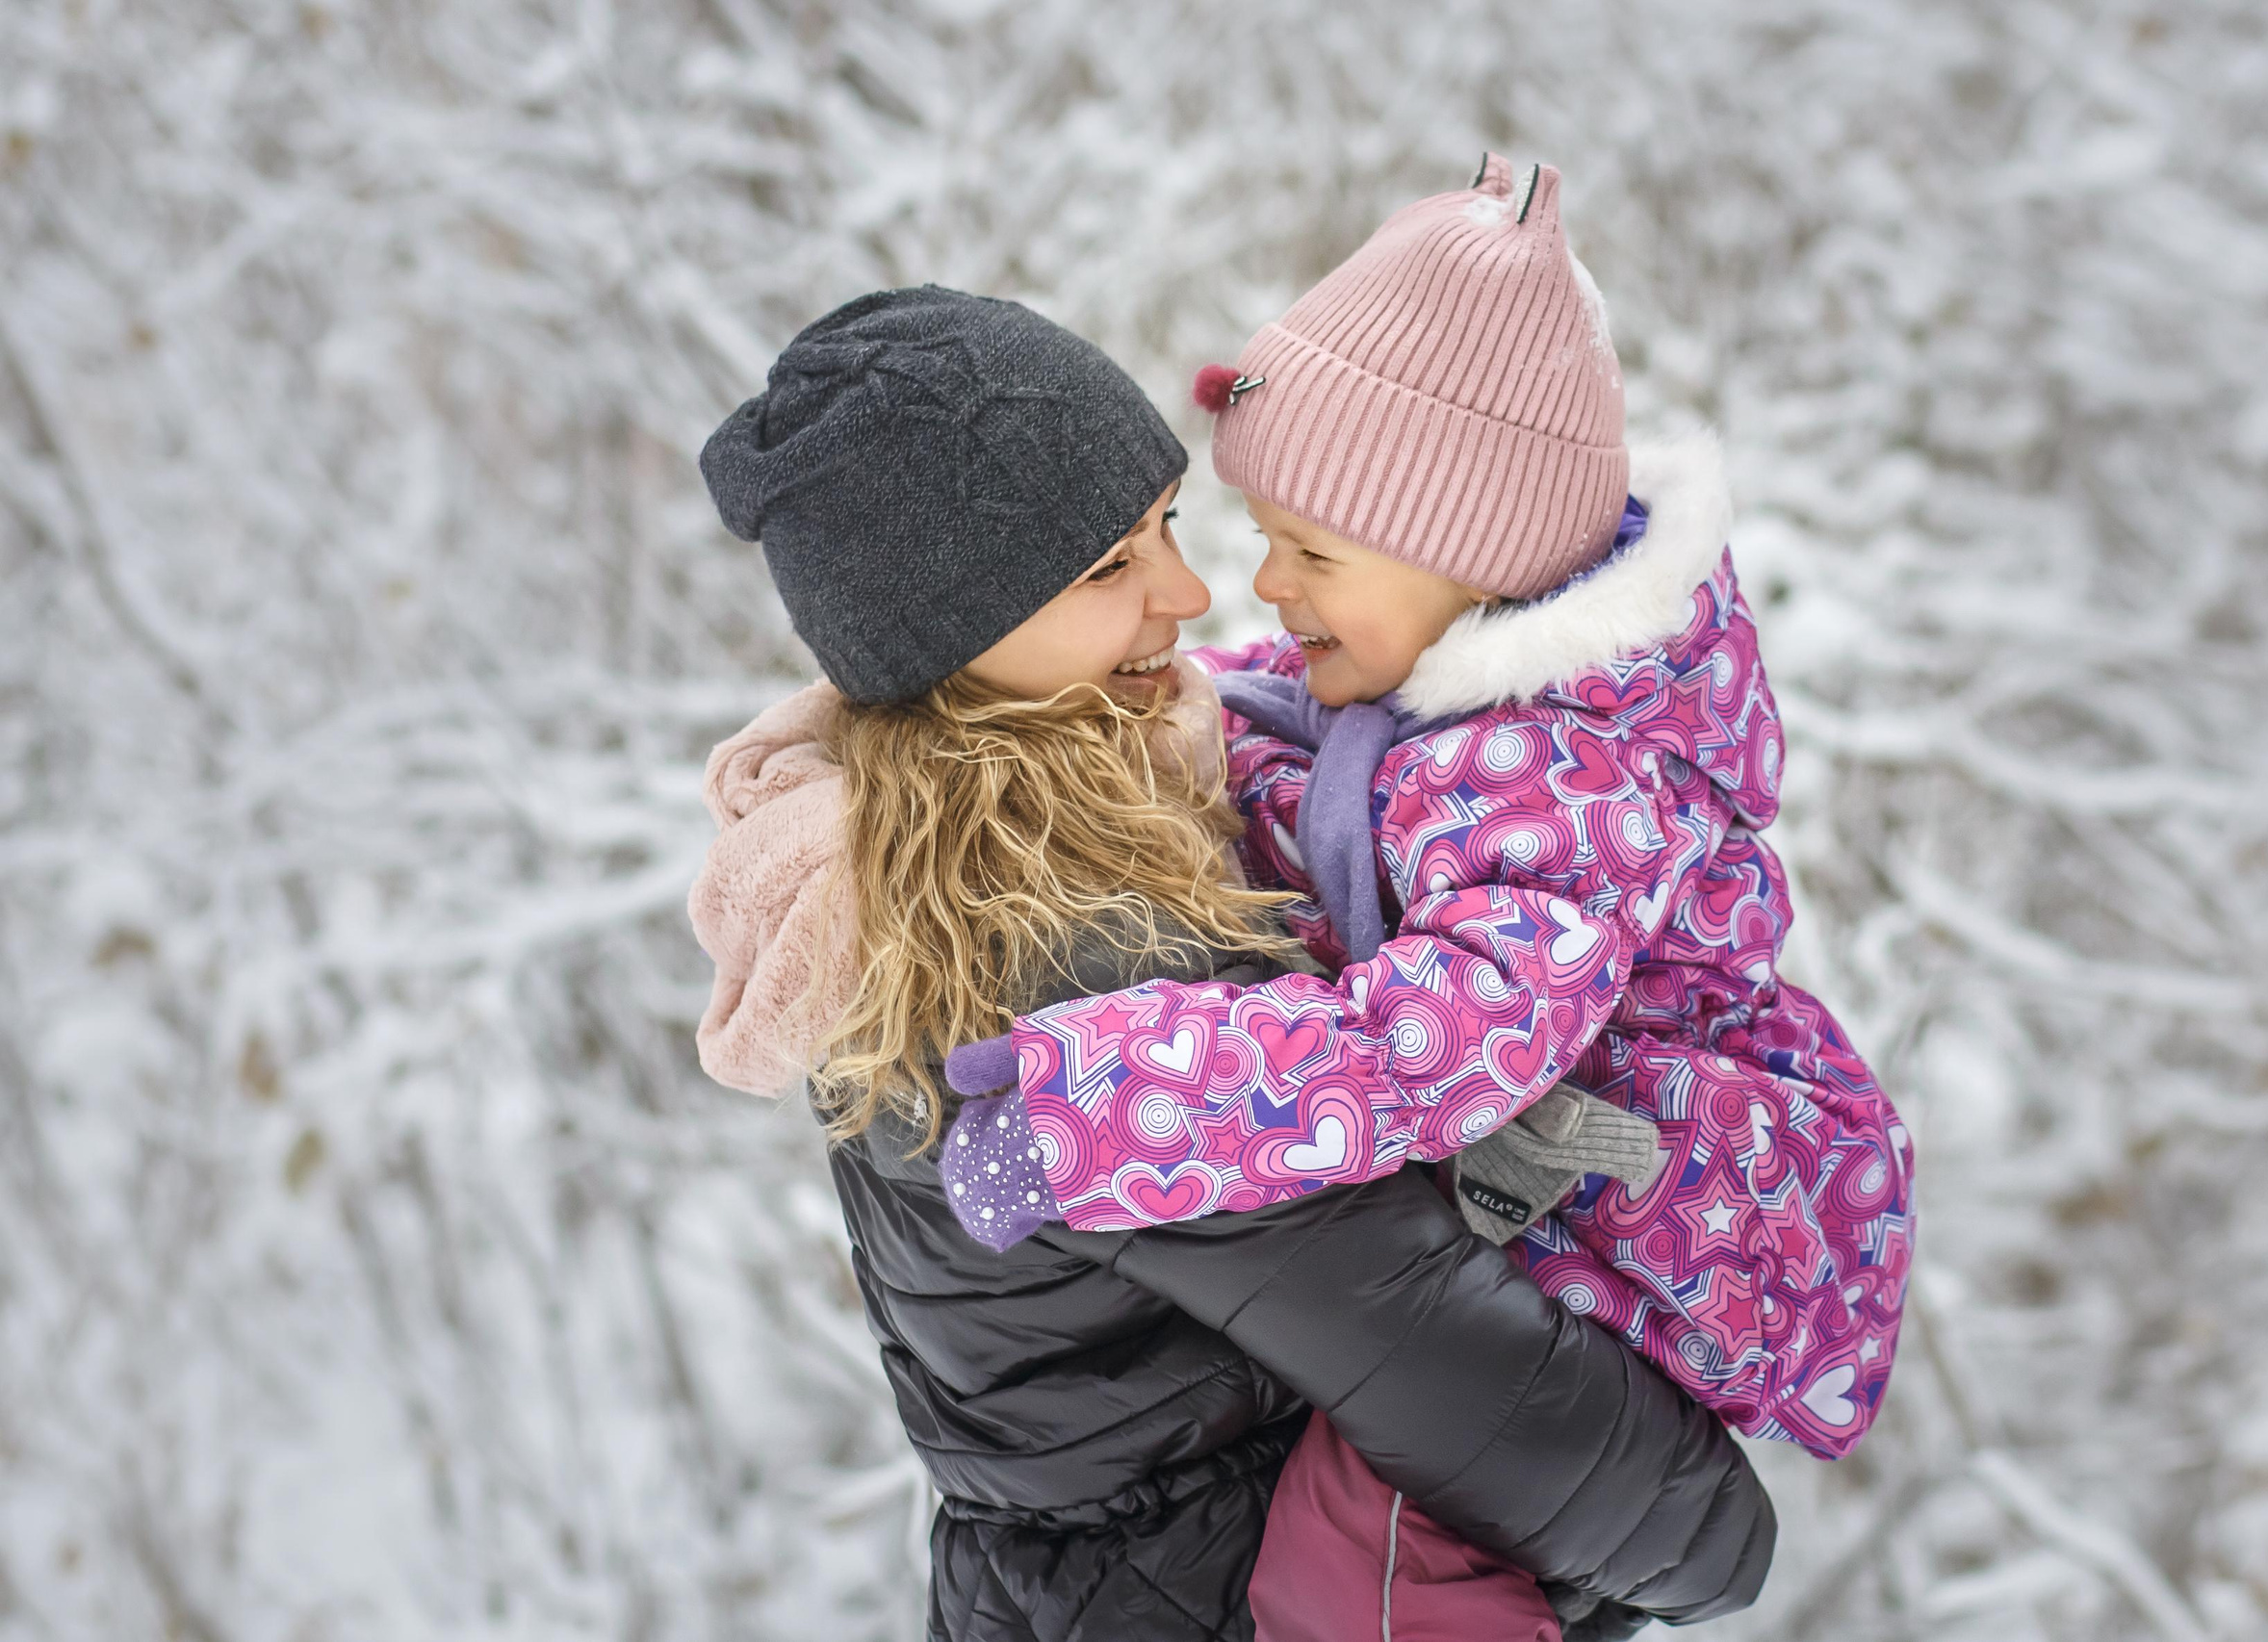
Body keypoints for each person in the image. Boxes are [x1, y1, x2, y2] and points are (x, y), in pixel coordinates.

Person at [687, 285, 1775, 1641]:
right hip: (1234, 1589)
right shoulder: (1062, 939)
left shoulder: (915, 858)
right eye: (1109, 569)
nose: (1189, 595)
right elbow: (1422, 1335)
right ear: (955, 631)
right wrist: (1711, 1530)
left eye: (1167, 528)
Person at [928, 161, 1915, 1639]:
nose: (1267, 583)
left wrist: (1103, 1109)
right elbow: (1289, 754)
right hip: (1532, 1177)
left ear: (1469, 558)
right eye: (1266, 534)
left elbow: (1417, 1051)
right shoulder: (1432, 678)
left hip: (1647, 1217)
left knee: (1366, 1556)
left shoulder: (1570, 788)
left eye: (1311, 552)